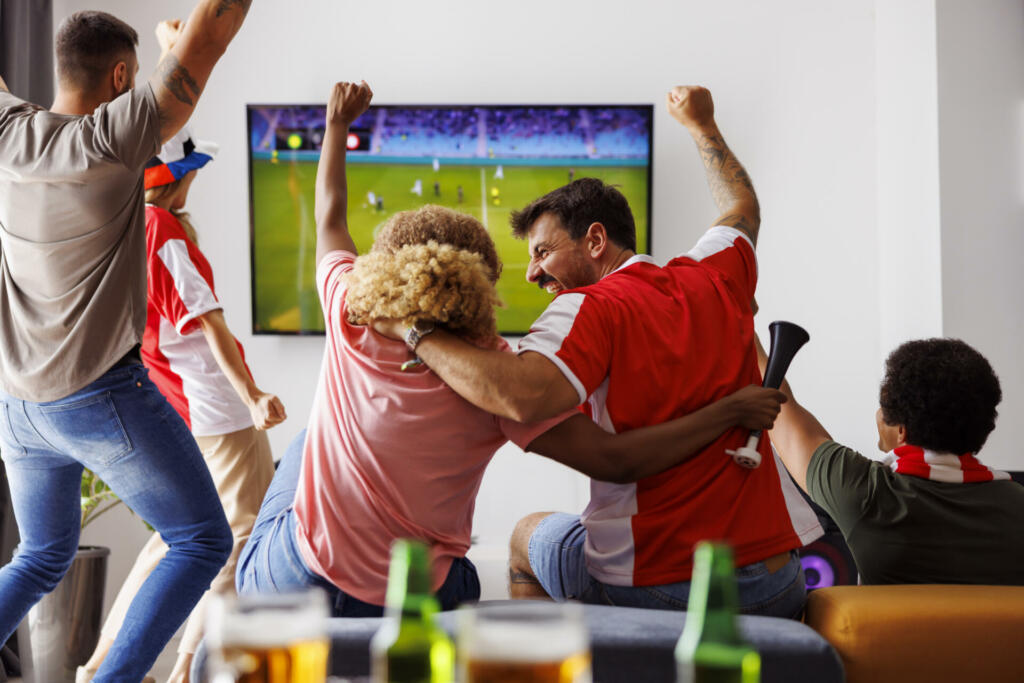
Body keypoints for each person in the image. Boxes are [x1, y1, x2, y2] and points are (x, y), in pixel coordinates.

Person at [235, 81, 789, 616]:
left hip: (657, 582)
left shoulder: (359, 308)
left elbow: (330, 218)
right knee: (463, 574)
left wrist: (411, 326)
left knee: (317, 447)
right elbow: (742, 205)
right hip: (777, 576)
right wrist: (702, 125)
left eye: (543, 252)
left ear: (595, 241)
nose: (531, 274)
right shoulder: (717, 270)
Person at [0, 4, 252, 680]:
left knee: (41, 555)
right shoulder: (111, 140)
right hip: (95, 399)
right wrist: (178, 48)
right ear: (119, 77)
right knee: (202, 540)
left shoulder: (6, 131)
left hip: (18, 407)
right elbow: (210, 33)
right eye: (134, 77)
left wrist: (170, 53)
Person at [79, 125, 284, 681]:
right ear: (179, 178)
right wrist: (253, 394)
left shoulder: (118, 226)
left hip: (181, 402)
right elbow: (208, 323)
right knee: (236, 541)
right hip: (216, 406)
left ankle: (106, 662)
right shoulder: (161, 228)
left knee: (178, 540)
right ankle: (185, 669)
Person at [762, 336, 1024, 585]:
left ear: (901, 431)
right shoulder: (1016, 503)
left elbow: (778, 407)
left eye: (883, 405)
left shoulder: (867, 493)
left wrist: (738, 315)